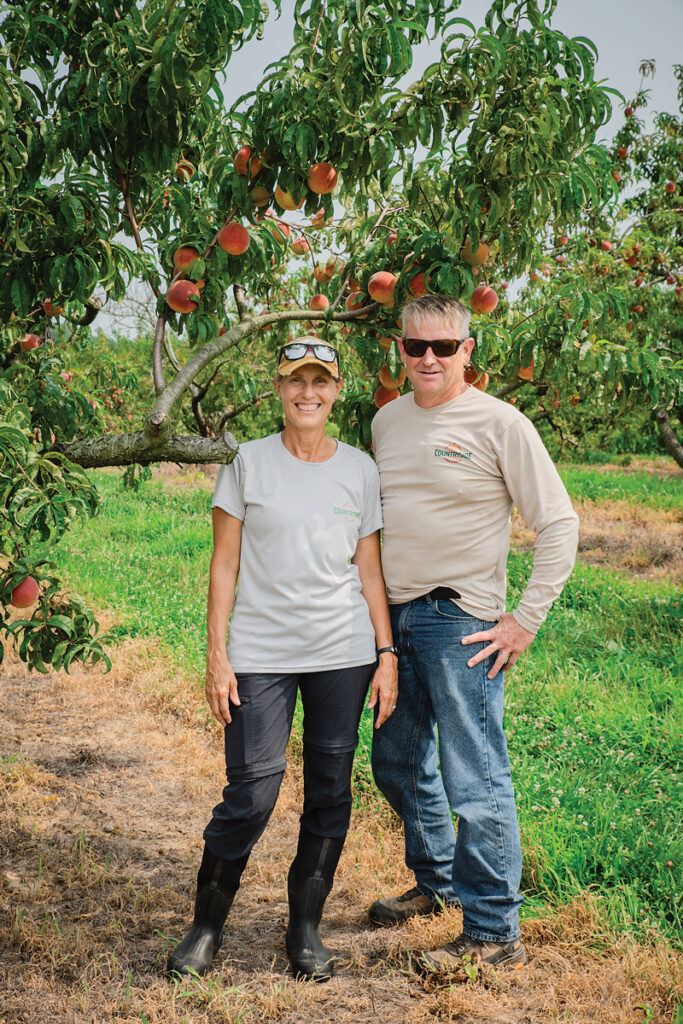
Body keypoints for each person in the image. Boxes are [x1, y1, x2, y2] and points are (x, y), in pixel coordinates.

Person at [166, 338, 398, 983]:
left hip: (342, 652)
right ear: (279, 389)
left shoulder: (359, 468)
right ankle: (206, 926)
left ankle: (304, 929)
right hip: (262, 650)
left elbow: (370, 569)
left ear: (336, 391)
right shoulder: (248, 463)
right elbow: (224, 565)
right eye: (297, 381)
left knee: (329, 788)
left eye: (320, 382)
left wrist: (386, 652)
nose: (308, 393)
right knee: (252, 791)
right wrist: (217, 655)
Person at [369, 294, 579, 974]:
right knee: (396, 762)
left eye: (443, 347)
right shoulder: (385, 421)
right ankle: (436, 884)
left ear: (468, 350)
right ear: (397, 349)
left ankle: (493, 932)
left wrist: (524, 620)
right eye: (414, 346)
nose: (428, 359)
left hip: (460, 622)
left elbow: (559, 524)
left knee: (474, 777)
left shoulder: (499, 423)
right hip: (393, 622)